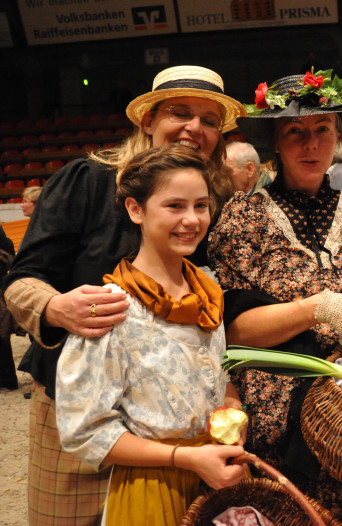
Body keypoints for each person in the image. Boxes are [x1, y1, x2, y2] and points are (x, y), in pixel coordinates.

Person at [4, 64, 245, 526]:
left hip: (174, 435)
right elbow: (22, 278)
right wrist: (56, 307)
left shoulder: (209, 199)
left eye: (209, 120)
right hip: (79, 403)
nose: (194, 128)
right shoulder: (87, 180)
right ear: (147, 120)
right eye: (180, 112)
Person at [209, 70, 342, 525]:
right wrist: (318, 308)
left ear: (337, 137)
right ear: (275, 143)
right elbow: (234, 331)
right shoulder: (242, 217)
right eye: (295, 132)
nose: (310, 144)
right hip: (274, 414)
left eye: (322, 131)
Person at [56, 144, 247, 526]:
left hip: (213, 477)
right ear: (135, 209)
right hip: (152, 487)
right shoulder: (112, 308)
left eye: (201, 205)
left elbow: (218, 378)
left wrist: (234, 416)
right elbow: (84, 429)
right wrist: (184, 458)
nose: (191, 220)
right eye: (174, 206)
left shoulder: (207, 290)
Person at [0, 224, 17, 390]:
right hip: (2, 291)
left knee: (2, 338)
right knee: (3, 338)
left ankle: (8, 380)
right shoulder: (6, 241)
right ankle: (9, 379)